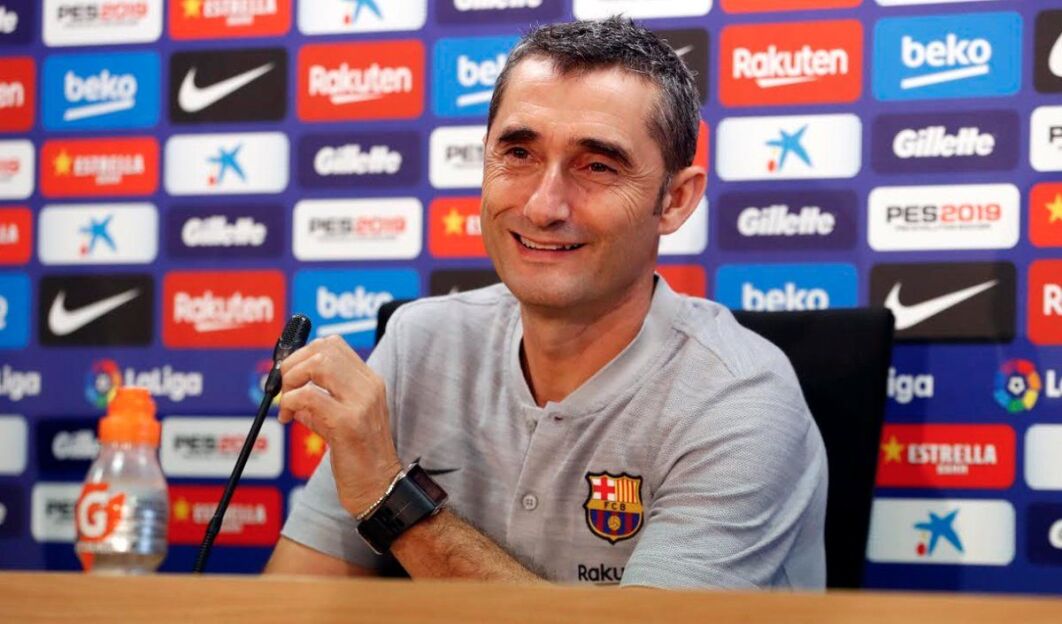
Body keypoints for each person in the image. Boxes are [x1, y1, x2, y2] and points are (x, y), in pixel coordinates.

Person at [265, 17, 827, 589]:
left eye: (598, 166)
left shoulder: (740, 397)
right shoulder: (419, 342)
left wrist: (390, 497)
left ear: (675, 200)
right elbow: (291, 602)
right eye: (518, 153)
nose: (542, 206)